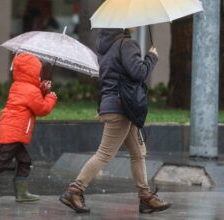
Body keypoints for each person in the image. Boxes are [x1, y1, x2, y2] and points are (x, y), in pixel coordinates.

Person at [59, 28, 171, 213]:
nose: (135, 23)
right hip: (122, 106)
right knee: (105, 154)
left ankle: (145, 197)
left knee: (138, 152)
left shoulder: (106, 46)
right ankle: (75, 190)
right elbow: (139, 73)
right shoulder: (126, 44)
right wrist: (151, 57)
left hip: (117, 105)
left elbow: (107, 78)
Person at [0, 53, 57, 204]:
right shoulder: (30, 91)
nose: (39, 74)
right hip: (15, 133)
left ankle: (22, 193)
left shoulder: (19, 86)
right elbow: (41, 109)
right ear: (32, 72)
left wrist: (42, 88)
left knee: (24, 161)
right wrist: (51, 97)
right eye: (38, 71)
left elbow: (31, 98)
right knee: (1, 163)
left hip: (11, 130)